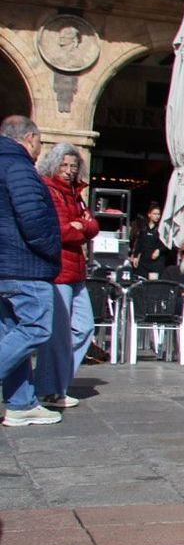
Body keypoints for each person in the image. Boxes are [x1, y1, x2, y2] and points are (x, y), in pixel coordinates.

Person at [0, 116, 63, 427]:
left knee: (14, 331)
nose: (40, 149)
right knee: (36, 328)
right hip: (24, 265)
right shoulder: (19, 167)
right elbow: (33, 217)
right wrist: (52, 249)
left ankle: (21, 403)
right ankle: (21, 403)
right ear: (30, 138)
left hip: (5, 265)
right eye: (39, 142)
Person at [33, 143, 99, 406]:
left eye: (73, 165)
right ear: (54, 164)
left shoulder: (76, 193)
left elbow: (93, 226)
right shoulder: (49, 190)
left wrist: (81, 225)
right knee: (59, 334)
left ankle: (53, 382)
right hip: (59, 270)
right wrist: (81, 226)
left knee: (84, 327)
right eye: (64, 165)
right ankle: (50, 389)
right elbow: (58, 230)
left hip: (77, 271)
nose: (70, 170)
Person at [129, 203, 170, 278]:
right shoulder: (144, 228)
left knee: (154, 282)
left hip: (156, 261)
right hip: (144, 260)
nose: (157, 216)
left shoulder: (162, 228)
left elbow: (167, 243)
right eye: (154, 214)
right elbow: (139, 243)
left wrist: (159, 250)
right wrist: (135, 256)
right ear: (149, 215)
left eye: (158, 214)